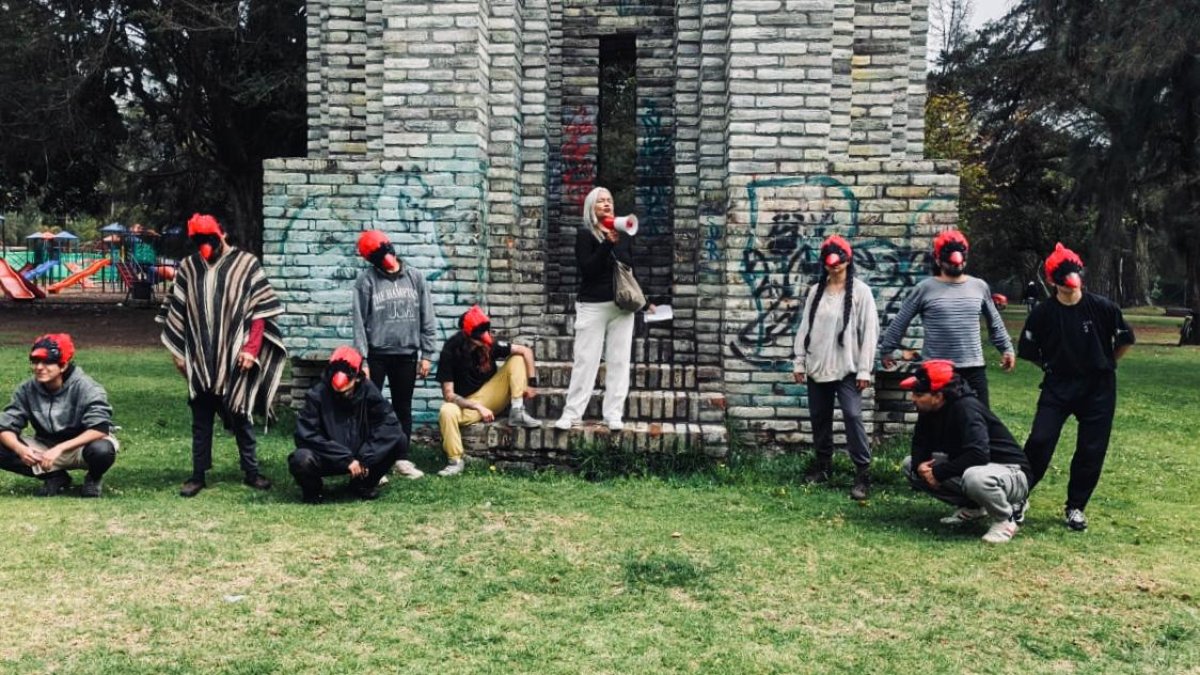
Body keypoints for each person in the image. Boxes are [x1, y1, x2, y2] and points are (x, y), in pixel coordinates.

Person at [158, 213, 287, 497]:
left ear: (222, 234)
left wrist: (251, 350)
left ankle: (251, 472)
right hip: (200, 356)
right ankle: (197, 475)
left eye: (210, 240)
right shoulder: (190, 267)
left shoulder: (246, 264)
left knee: (240, 412)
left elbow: (259, 312)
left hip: (236, 354)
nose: (205, 247)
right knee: (200, 417)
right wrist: (178, 354)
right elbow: (177, 311)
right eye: (199, 242)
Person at [1018, 243, 1135, 532]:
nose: (1070, 285)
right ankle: (1017, 496)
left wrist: (1107, 363)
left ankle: (1076, 506)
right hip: (1058, 385)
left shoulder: (1104, 308)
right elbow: (1030, 351)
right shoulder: (1042, 314)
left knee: (1091, 448)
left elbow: (1124, 341)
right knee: (1040, 440)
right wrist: (1053, 367)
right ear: (1052, 281)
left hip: (1098, 387)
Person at [880, 229, 1015, 407]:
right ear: (938, 260)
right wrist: (887, 350)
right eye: (950, 260)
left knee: (980, 423)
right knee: (933, 427)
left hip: (973, 368)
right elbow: (900, 321)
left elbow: (994, 322)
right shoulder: (924, 289)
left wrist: (1006, 348)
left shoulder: (979, 287)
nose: (957, 263)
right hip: (935, 370)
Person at [900, 359, 1030, 544]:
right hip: (979, 468)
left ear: (939, 396)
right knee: (909, 465)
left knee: (975, 477)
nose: (913, 397)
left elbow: (979, 454)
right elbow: (920, 443)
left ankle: (1006, 519)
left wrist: (937, 473)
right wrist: (920, 465)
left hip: (1012, 472)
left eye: (919, 393)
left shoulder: (966, 408)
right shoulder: (928, 410)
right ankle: (974, 507)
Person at [792, 235, 880, 499]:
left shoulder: (861, 293)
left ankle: (863, 473)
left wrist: (865, 369)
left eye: (838, 265)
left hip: (848, 369)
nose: (834, 269)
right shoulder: (815, 291)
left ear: (847, 261)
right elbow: (804, 328)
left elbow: (870, 333)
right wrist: (799, 361)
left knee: (853, 416)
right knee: (820, 418)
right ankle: (823, 466)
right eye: (830, 265)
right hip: (818, 366)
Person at [352, 229, 436, 480]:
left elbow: (427, 316)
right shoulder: (366, 281)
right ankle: (373, 459)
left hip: (407, 353)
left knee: (403, 408)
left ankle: (402, 458)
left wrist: (427, 353)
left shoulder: (415, 277)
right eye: (377, 256)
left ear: (390, 247)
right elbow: (359, 321)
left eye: (384, 251)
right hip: (376, 354)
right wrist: (362, 359)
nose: (385, 258)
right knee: (371, 409)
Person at [554, 186, 639, 432]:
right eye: (601, 201)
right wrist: (605, 245)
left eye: (609, 200)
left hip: (621, 307)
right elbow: (588, 269)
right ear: (591, 206)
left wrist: (643, 298)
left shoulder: (623, 232)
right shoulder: (585, 234)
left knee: (619, 362)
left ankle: (613, 414)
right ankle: (571, 414)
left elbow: (630, 268)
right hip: (592, 305)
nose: (606, 204)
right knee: (585, 361)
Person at [0, 334, 117, 498]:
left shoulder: (87, 387)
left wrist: (59, 448)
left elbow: (100, 428)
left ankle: (93, 478)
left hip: (81, 447)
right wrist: (21, 449)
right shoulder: (27, 389)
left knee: (102, 450)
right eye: (35, 361)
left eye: (47, 362)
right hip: (44, 446)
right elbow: (5, 425)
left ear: (63, 365)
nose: (39, 367)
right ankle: (55, 477)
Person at [288, 346, 407, 503]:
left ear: (357, 378)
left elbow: (389, 424)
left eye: (345, 391)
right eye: (337, 392)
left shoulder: (368, 390)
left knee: (399, 440)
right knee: (301, 458)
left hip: (360, 455)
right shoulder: (317, 394)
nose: (342, 395)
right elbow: (305, 435)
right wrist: (344, 458)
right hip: (329, 456)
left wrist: (365, 456)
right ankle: (313, 491)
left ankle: (363, 484)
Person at [436, 305, 541, 476]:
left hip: (492, 395)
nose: (484, 341)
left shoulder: (490, 344)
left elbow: (526, 351)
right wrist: (477, 407)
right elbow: (448, 395)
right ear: (467, 336)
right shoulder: (450, 350)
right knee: (446, 411)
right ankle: (455, 461)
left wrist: (531, 384)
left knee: (517, 358)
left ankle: (517, 410)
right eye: (479, 339)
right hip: (469, 405)